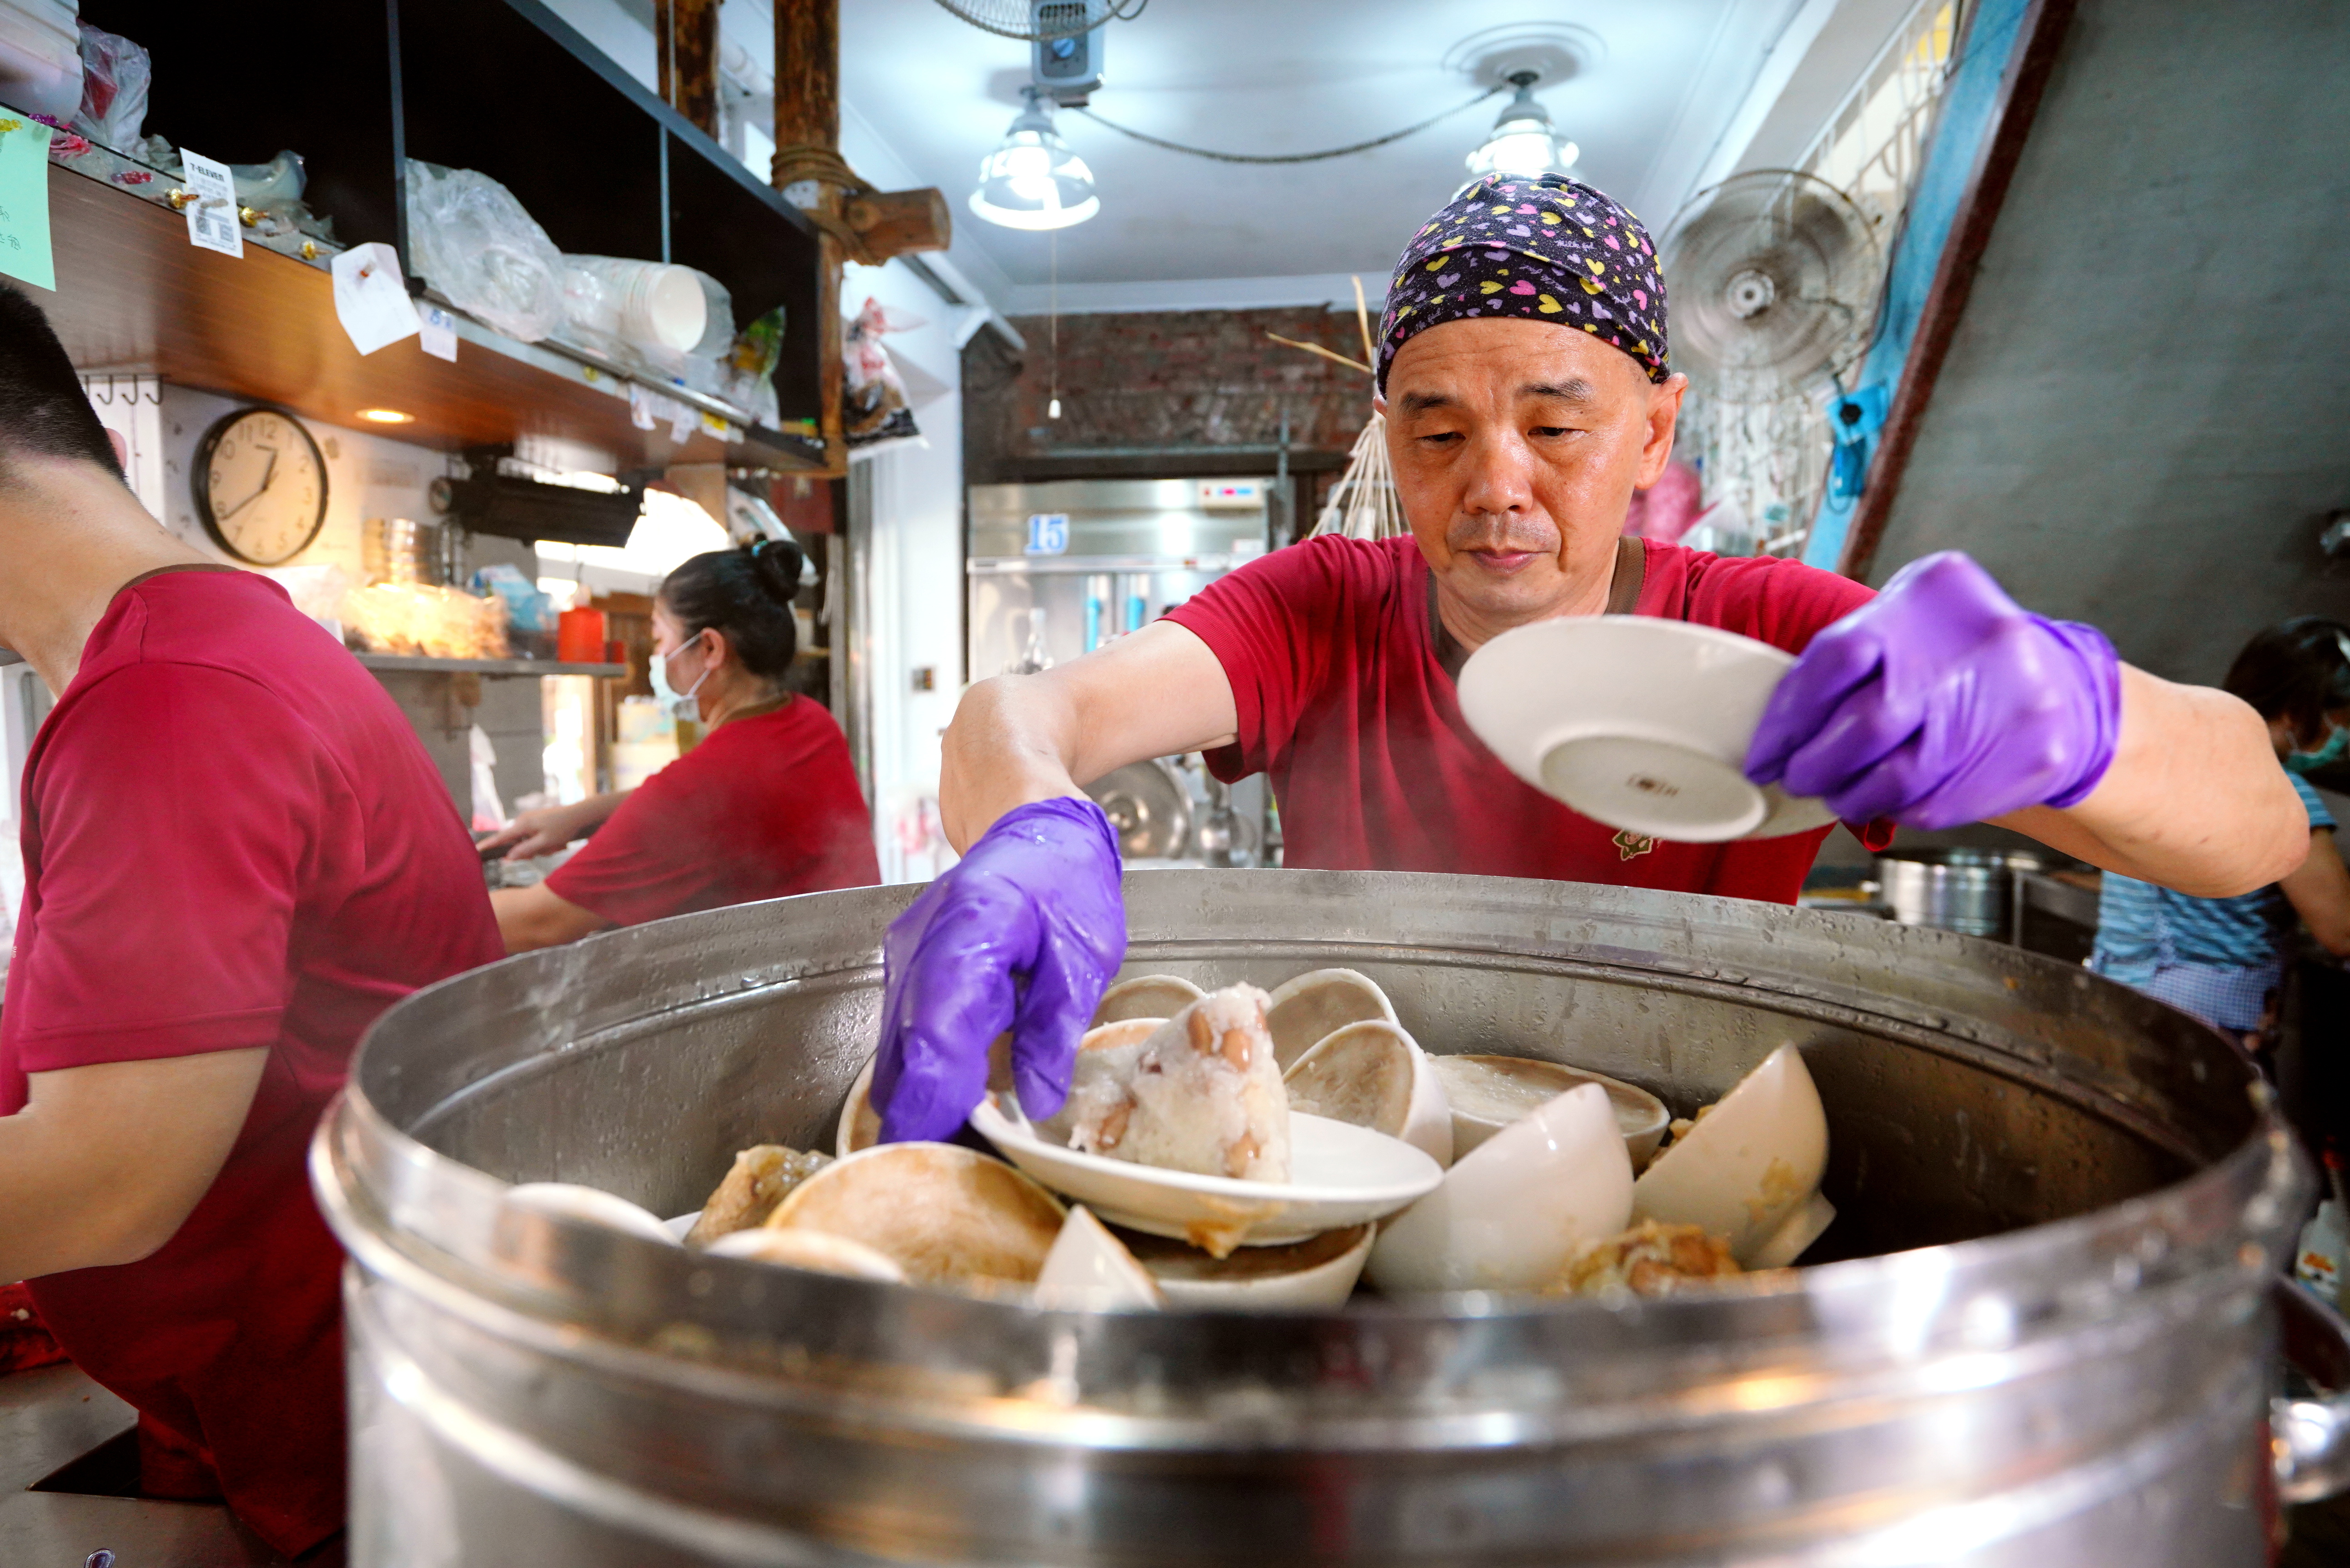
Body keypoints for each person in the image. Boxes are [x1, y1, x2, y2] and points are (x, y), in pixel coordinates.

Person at [867, 173, 2307, 1146]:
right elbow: (1027, 708)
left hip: (1680, 1187)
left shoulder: (1760, 632)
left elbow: (2253, 830)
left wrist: (2072, 714)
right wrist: (1036, 821)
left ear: (1652, 436)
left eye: (1555, 427)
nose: (1494, 486)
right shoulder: (1321, 611)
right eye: (1435, 433)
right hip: (1358, 1167)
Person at [0, 285, 503, 1553]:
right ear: (103, 451)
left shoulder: (166, 704)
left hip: (319, 1415)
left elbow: (111, 1181)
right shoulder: (204, 647)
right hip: (280, 1391)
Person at [481, 539, 878, 950]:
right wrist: (582, 814)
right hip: (852, 974)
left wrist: (426, 908)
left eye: (659, 637)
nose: (657, 655)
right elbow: (722, 802)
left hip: (786, 999)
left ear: (709, 649)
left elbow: (538, 922)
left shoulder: (706, 785)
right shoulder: (810, 722)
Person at [2093, 618, 2350, 1045]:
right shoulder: (2278, 791)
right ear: (2298, 713)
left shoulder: (2159, 760)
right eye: (2341, 720)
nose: (2345, 735)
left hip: (2121, 998)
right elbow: (2340, 931)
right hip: (2206, 1024)